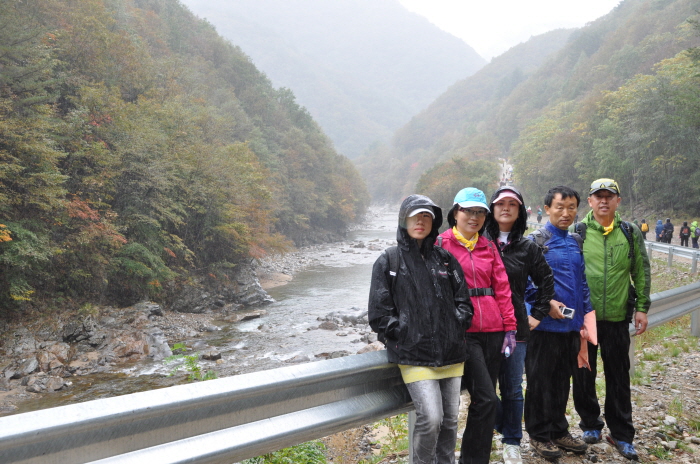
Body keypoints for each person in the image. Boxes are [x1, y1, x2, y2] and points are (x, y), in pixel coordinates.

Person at [368, 194, 474, 464]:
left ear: (434, 221)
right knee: (431, 417)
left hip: (451, 352)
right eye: (415, 216)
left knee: (450, 421)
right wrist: (405, 332)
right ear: (404, 220)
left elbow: (464, 303)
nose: (421, 221)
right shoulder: (388, 261)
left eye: (426, 216)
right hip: (413, 354)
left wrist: (454, 325)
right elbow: (379, 314)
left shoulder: (446, 260)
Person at [572, 178, 651, 461]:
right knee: (583, 375)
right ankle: (590, 424)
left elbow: (641, 271)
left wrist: (642, 307)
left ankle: (621, 433)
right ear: (590, 202)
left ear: (618, 201)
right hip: (585, 319)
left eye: (609, 196)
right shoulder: (577, 232)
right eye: (598, 196)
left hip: (618, 317)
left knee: (618, 377)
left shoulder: (629, 233)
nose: (604, 201)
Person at [437, 187, 517, 464]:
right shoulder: (441, 245)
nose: (474, 217)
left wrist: (510, 328)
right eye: (468, 211)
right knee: (485, 398)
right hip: (463, 333)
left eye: (480, 212)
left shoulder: (488, 246)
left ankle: (476, 458)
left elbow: (502, 288)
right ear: (455, 212)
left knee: (484, 400)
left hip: (493, 330)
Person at [483, 186, 555, 464]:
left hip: (516, 330)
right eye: (501, 203)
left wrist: (537, 315)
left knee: (512, 388)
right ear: (492, 208)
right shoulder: (478, 242)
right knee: (483, 389)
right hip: (482, 328)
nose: (506, 208)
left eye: (512, 204)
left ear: (520, 211)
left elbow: (546, 281)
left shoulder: (527, 247)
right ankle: (501, 426)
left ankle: (511, 441)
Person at [523, 186, 592, 461]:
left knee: (563, 381)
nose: (566, 213)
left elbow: (582, 282)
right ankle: (539, 434)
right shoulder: (535, 241)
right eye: (560, 207)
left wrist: (586, 317)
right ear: (547, 209)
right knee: (540, 381)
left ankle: (559, 430)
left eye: (571, 207)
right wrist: (545, 303)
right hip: (544, 327)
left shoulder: (575, 241)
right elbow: (524, 282)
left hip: (571, 327)